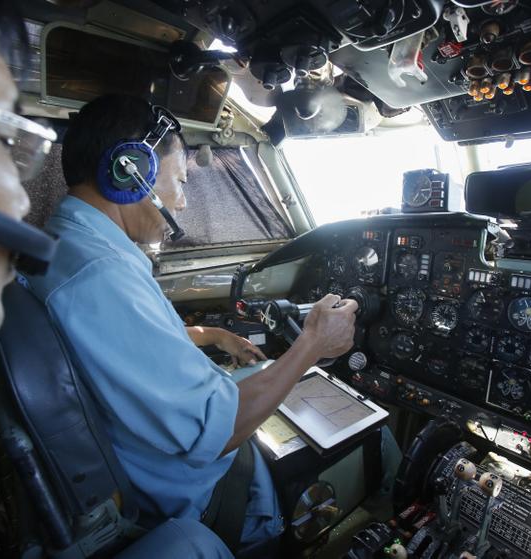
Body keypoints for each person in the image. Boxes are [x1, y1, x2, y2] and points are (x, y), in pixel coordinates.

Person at [0, 4, 231, 558]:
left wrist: (206, 337)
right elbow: (204, 432)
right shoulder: (99, 267)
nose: (14, 198)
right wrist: (314, 343)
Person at [26, 94, 361, 552]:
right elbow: (218, 432)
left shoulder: (65, 248)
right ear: (130, 170)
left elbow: (114, 355)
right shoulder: (102, 277)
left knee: (264, 375)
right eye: (179, 181)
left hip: (139, 462)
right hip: (200, 493)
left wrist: (209, 334)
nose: (181, 204)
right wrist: (312, 345)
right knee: (365, 436)